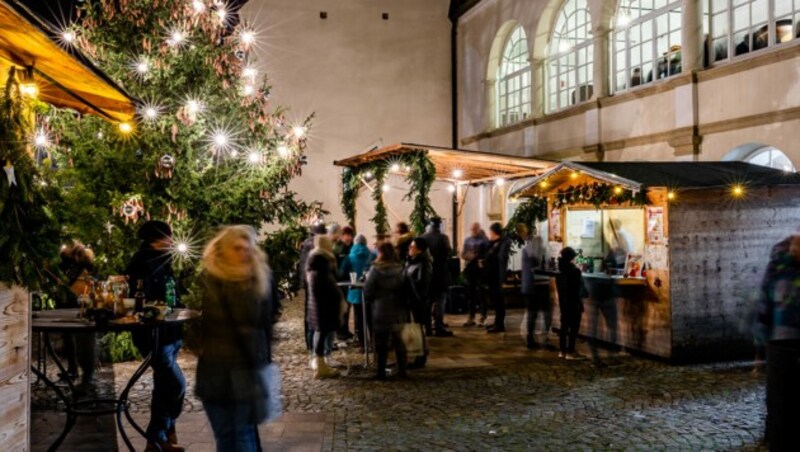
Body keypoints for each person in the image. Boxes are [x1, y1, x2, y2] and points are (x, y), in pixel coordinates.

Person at [195, 225, 276, 452]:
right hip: (215, 371)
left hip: (245, 371)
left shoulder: (258, 279)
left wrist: (263, 361)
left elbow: (265, 324)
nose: (244, 253)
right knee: (225, 435)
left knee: (243, 435)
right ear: (223, 250)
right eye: (237, 248)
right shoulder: (212, 279)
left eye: (247, 248)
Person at [125, 220, 186, 452]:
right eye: (169, 236)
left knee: (163, 387)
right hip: (155, 335)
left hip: (170, 332)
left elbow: (171, 294)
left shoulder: (163, 260)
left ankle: (157, 439)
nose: (172, 240)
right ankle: (161, 430)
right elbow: (141, 300)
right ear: (158, 238)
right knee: (176, 384)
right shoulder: (141, 264)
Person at [364, 242, 410, 380]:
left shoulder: (375, 270)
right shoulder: (401, 268)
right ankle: (402, 370)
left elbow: (368, 290)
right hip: (399, 308)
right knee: (400, 341)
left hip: (381, 308)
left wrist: (372, 298)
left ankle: (381, 372)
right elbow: (406, 287)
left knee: (381, 342)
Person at [56, 242, 98, 391]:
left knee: (82, 340)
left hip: (78, 302)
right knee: (69, 338)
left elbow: (66, 280)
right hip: (70, 302)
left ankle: (85, 375)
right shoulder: (67, 262)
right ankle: (74, 370)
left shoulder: (81, 264)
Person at [305, 235, 342, 379]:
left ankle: (320, 364)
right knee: (322, 332)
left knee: (319, 332)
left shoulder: (314, 259)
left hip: (317, 303)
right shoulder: (322, 260)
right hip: (324, 304)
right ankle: (321, 367)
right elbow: (328, 283)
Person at [756, 233, 800, 345]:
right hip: (785, 344)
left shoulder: (779, 265)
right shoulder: (779, 265)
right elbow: (764, 307)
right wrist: (761, 349)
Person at [518, 224, 553, 350]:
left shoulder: (531, 248)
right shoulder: (532, 248)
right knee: (540, 313)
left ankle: (533, 338)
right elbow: (537, 264)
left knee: (536, 313)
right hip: (536, 285)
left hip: (535, 285)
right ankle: (535, 338)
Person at [339, 234, 375, 347]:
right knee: (371, 317)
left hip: (355, 292)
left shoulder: (349, 257)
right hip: (370, 291)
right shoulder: (372, 255)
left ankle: (362, 343)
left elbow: (342, 273)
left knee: (359, 318)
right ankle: (374, 342)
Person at [422, 217, 454, 337]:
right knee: (440, 302)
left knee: (428, 302)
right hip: (440, 274)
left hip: (427, 274)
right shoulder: (443, 238)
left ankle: (428, 328)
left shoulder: (423, 237)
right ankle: (439, 327)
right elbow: (449, 252)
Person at [299, 222, 327, 353]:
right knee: (313, 313)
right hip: (313, 282)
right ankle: (312, 344)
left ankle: (311, 343)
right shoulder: (313, 244)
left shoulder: (307, 243)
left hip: (308, 281)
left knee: (310, 312)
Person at [404, 237, 432, 369]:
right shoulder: (411, 261)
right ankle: (418, 355)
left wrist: (409, 280)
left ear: (419, 250)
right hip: (410, 299)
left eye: (412, 247)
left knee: (416, 329)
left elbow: (423, 285)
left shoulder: (424, 263)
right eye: (410, 246)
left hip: (417, 301)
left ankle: (419, 358)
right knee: (413, 329)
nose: (410, 249)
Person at [556, 247, 588, 360]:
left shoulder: (559, 271)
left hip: (563, 303)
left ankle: (562, 351)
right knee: (574, 328)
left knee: (564, 327)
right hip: (573, 303)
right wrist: (580, 302)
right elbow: (577, 290)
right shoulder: (574, 271)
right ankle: (571, 351)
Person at [484, 222, 511, 334]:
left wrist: (502, 279)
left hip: (497, 277)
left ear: (494, 232)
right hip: (492, 277)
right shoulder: (494, 243)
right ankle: (497, 322)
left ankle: (499, 324)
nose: (489, 234)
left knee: (499, 301)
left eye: (490, 232)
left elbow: (501, 260)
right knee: (495, 301)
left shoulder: (503, 243)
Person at [461, 222, 489, 327]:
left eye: (475, 229)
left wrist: (477, 256)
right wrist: (467, 256)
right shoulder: (467, 240)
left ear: (478, 229)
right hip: (470, 269)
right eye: (472, 229)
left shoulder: (484, 240)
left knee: (482, 293)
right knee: (470, 294)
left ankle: (483, 316)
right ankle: (471, 316)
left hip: (480, 270)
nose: (473, 231)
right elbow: (463, 254)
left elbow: (487, 254)